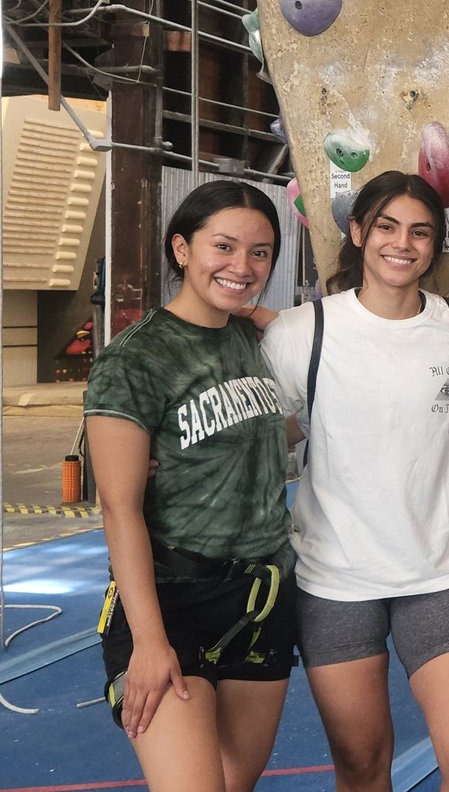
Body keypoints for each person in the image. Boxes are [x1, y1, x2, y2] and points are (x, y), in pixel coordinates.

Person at [258, 172, 449, 792]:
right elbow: (263, 441)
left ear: (435, 245)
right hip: (336, 580)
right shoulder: (300, 333)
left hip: (439, 573)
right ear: (357, 233)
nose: (404, 243)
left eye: (420, 231)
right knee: (362, 767)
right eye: (387, 227)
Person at [86, 180, 295, 792]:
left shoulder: (250, 338)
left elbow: (262, 434)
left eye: (260, 253)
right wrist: (149, 643)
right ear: (182, 248)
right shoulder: (134, 361)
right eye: (224, 247)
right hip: (172, 599)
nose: (242, 266)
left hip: (262, 597)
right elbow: (119, 510)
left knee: (235, 783)